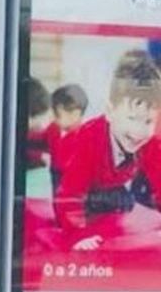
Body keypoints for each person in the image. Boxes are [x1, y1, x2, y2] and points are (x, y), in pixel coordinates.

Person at [52, 52, 161, 251]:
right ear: (110, 112)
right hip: (67, 172)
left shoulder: (149, 143)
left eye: (148, 121)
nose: (139, 131)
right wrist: (77, 234)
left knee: (124, 203)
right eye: (132, 118)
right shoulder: (88, 139)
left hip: (107, 181)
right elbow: (70, 193)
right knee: (72, 208)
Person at [45, 83, 89, 189]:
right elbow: (40, 141)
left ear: (75, 114)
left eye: (57, 114)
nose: (53, 117)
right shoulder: (53, 128)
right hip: (53, 174)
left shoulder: (84, 136)